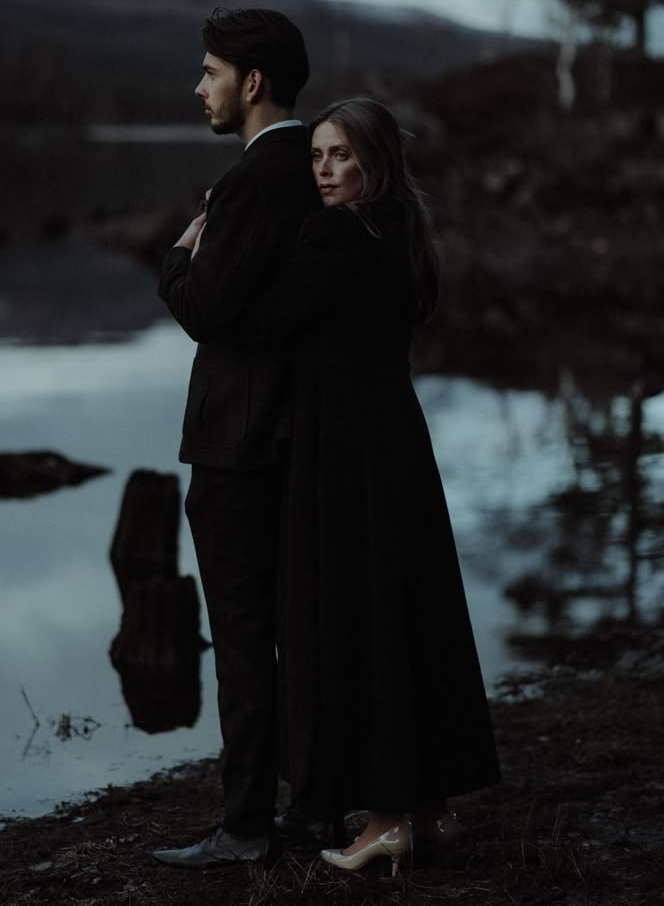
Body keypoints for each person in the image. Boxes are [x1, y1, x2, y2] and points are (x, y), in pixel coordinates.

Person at [230, 97, 501, 874]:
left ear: (373, 160)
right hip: (396, 440)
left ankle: (385, 819)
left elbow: (263, 322)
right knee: (411, 609)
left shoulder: (336, 232)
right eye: (316, 155)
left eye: (340, 155)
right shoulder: (403, 231)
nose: (323, 169)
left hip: (343, 449)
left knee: (362, 616)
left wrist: (197, 253)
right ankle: (431, 806)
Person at [153, 7, 321, 869]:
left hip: (238, 445)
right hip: (288, 437)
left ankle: (248, 823)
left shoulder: (258, 179)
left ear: (251, 84)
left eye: (210, 72)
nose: (199, 87)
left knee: (245, 637)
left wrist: (178, 257)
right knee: (293, 629)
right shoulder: (314, 169)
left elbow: (208, 309)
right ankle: (311, 806)